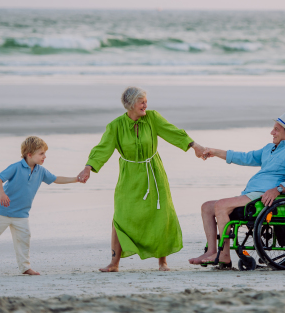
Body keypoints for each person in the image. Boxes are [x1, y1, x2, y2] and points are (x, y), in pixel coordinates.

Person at [77, 86, 206, 272]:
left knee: (160, 214)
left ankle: (163, 262)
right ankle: (114, 263)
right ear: (130, 105)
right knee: (120, 217)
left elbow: (172, 132)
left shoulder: (152, 118)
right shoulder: (115, 126)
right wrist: (88, 167)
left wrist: (195, 146)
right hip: (129, 175)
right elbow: (102, 149)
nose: (145, 104)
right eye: (141, 101)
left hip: (153, 172)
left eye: (146, 100)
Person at [188, 113, 285, 267]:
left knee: (221, 205)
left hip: (264, 196)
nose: (272, 132)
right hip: (251, 194)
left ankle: (224, 255)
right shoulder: (270, 148)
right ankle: (211, 251)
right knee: (207, 207)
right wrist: (215, 152)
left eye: (276, 130)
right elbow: (245, 157)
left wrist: (278, 189)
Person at [0, 136, 83, 275]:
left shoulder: (41, 171)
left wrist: (76, 179)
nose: (44, 156)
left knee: (24, 240)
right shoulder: (16, 167)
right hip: (2, 211)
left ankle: (25, 267)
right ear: (29, 154)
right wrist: (1, 193)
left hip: (21, 214)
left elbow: (56, 179)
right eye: (41, 153)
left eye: (44, 153)